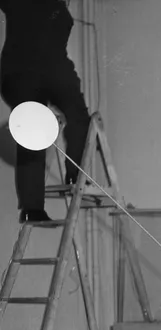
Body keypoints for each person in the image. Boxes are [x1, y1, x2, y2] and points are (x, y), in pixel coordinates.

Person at [0, 0, 91, 224]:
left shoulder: (56, 8)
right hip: (28, 70)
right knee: (37, 131)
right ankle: (69, 180)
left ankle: (37, 203)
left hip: (31, 70)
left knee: (43, 130)